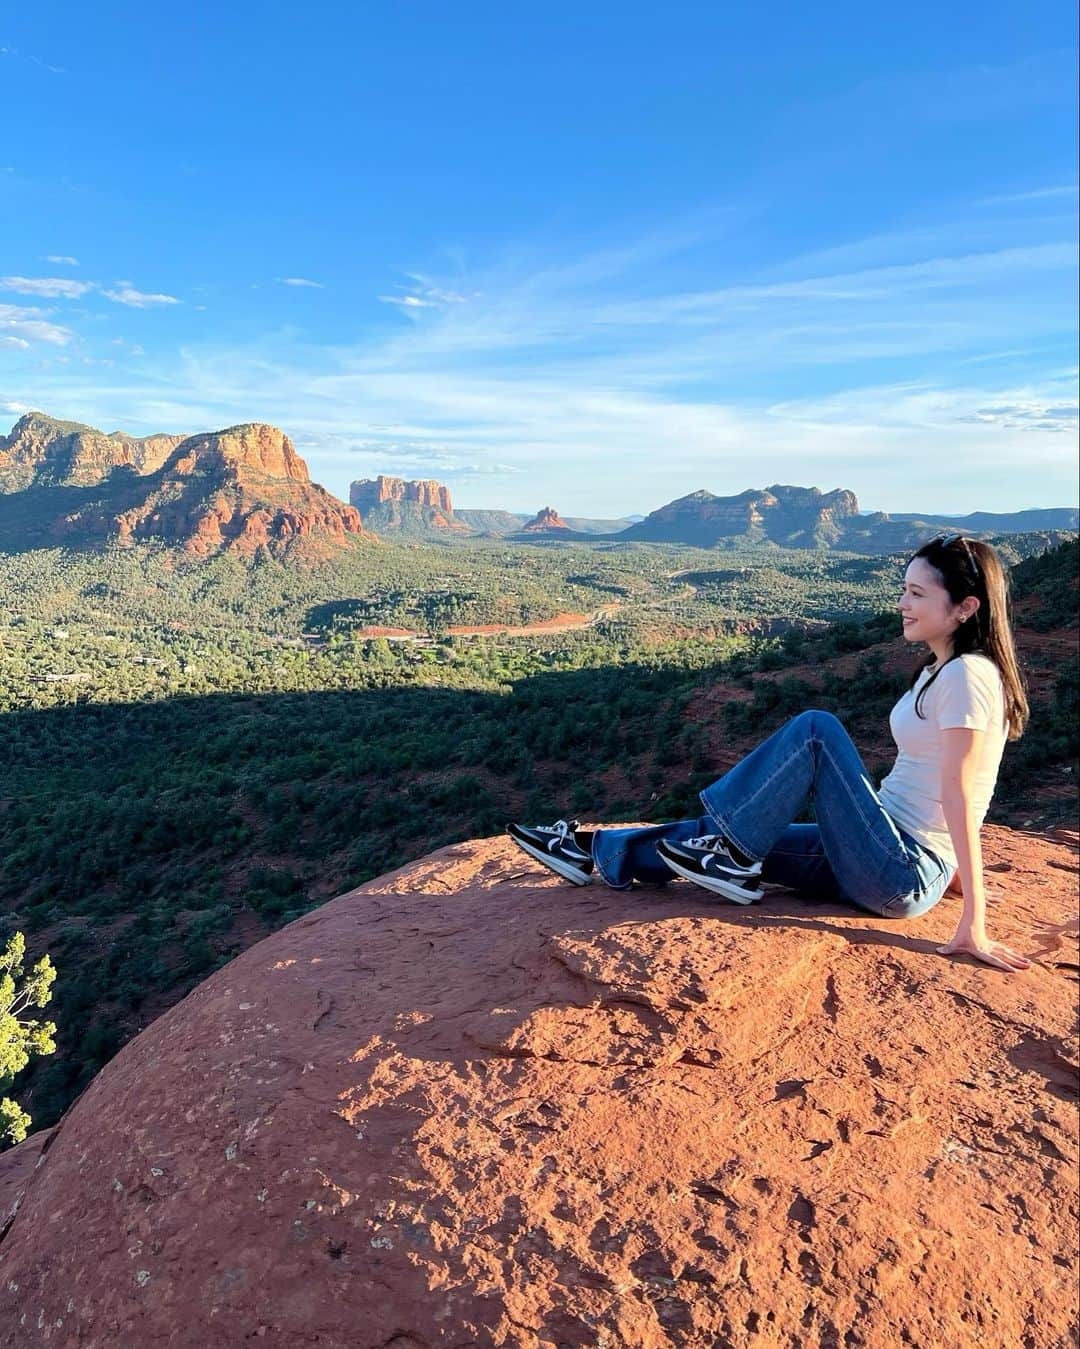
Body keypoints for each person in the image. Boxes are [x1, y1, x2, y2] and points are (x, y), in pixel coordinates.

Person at [509, 535, 1032, 974]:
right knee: (722, 839)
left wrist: (973, 914)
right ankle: (591, 851)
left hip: (901, 869)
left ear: (965, 608)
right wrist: (954, 877)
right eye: (904, 590)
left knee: (816, 731)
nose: (902, 604)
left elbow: (961, 792)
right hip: (880, 849)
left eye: (917, 594)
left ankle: (731, 860)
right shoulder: (941, 670)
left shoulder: (968, 676)